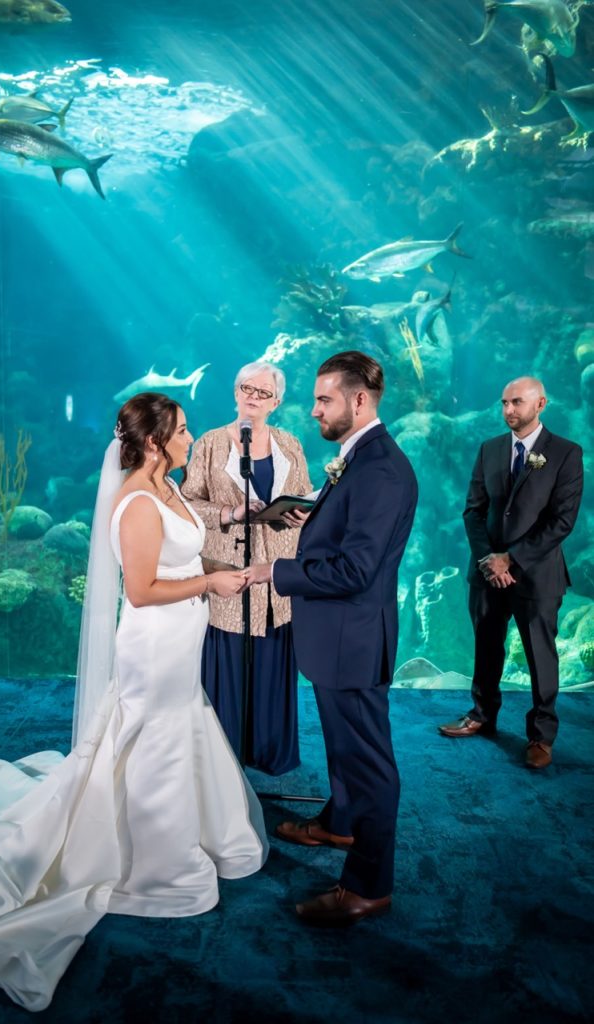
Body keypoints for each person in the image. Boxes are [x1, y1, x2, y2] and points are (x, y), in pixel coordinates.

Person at [0, 393, 268, 1011]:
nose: (192, 440)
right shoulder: (134, 499)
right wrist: (210, 582)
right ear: (155, 441)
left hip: (183, 640)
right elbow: (143, 588)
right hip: (155, 643)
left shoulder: (171, 487)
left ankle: (199, 829)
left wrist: (238, 567)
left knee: (182, 724)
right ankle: (157, 859)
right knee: (152, 738)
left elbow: (181, 553)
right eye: (183, 432)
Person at [244, 351, 418, 926]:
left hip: (353, 641)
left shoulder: (380, 470)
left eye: (324, 400)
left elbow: (355, 572)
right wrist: (314, 518)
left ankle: (369, 885)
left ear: (359, 401)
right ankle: (339, 825)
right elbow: (348, 534)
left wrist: (280, 572)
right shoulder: (357, 460)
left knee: (369, 763)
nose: (314, 410)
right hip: (339, 638)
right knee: (345, 750)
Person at [439, 376, 584, 769]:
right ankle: (482, 715)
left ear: (541, 404)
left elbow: (562, 521)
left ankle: (541, 736)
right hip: (487, 573)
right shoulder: (490, 450)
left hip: (537, 575)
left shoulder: (567, 453)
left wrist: (512, 559)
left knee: (541, 656)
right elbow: (473, 510)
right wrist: (490, 559)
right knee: (487, 647)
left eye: (516, 402)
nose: (508, 411)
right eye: (504, 403)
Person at [182, 361, 312, 775]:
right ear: (235, 392)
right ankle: (224, 760)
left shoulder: (290, 445)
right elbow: (186, 507)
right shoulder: (209, 444)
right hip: (228, 576)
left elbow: (306, 496)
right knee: (229, 669)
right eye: (246, 389)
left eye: (262, 392)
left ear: (277, 401)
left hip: (278, 577)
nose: (252, 398)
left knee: (274, 666)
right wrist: (230, 512)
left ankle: (271, 752)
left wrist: (302, 515)